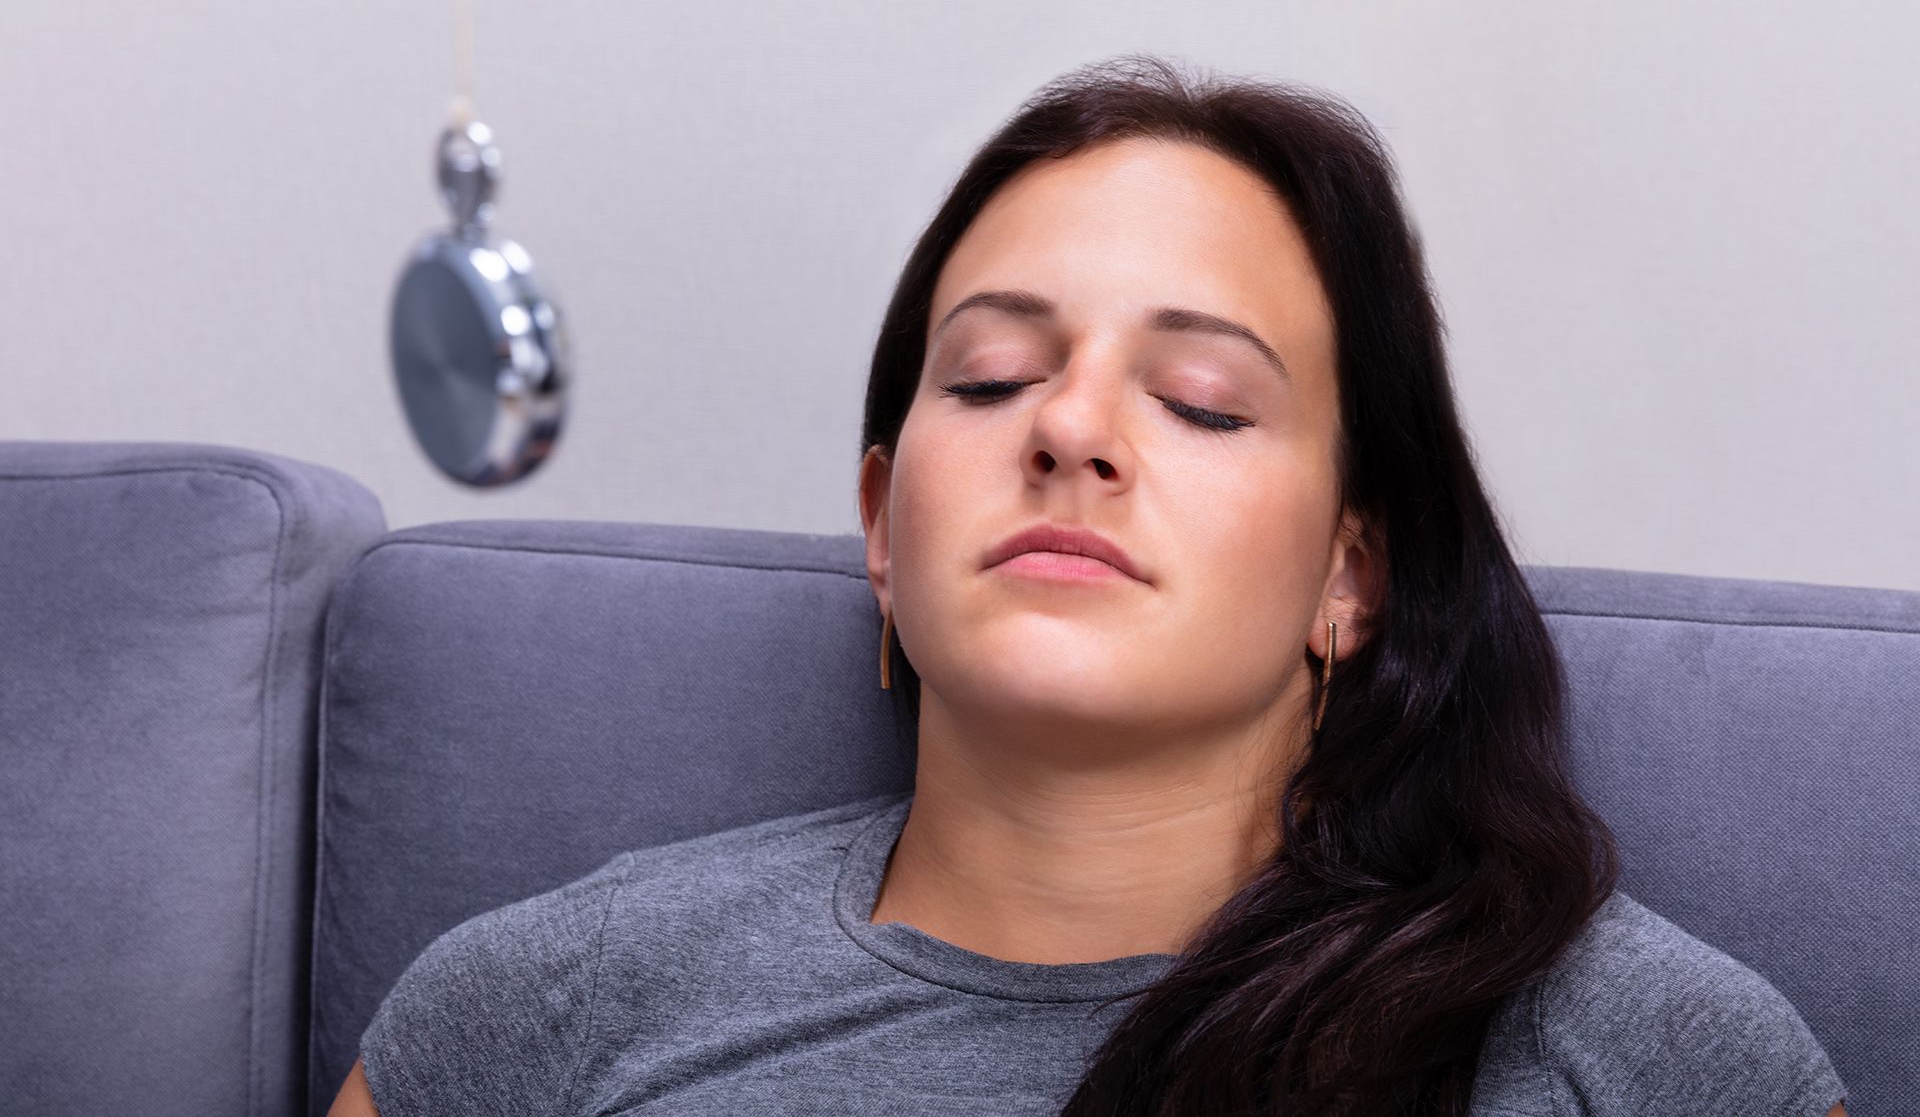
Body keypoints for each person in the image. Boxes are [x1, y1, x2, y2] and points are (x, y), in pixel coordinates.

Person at [327, 54, 1850, 1115]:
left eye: (1199, 401)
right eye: (990, 378)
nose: (1068, 429)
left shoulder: (1644, 1054)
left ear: (1351, 575)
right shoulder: (537, 1008)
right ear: (879, 522)